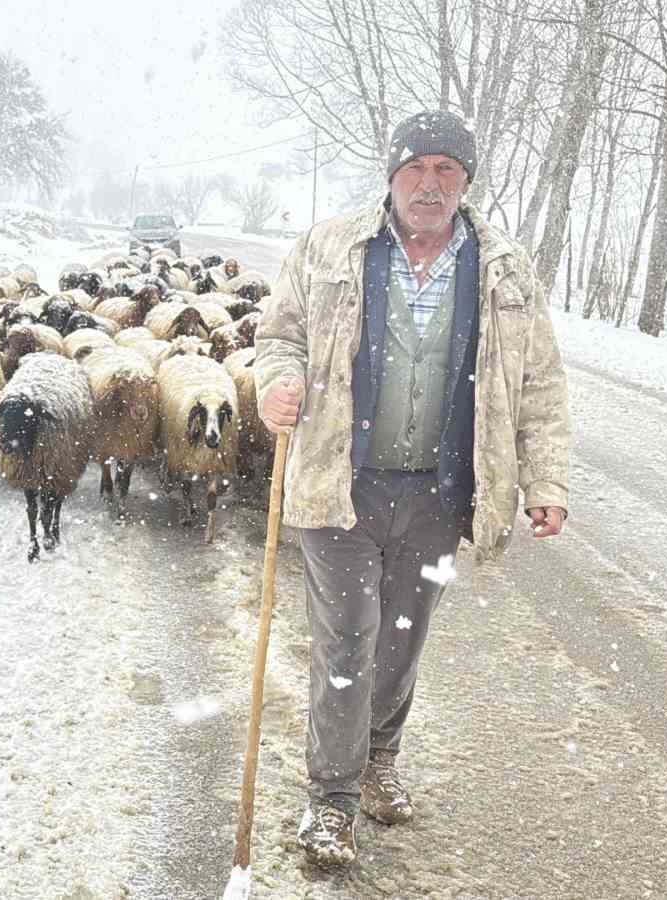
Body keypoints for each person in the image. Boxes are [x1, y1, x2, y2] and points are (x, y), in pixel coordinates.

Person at [251, 109, 571, 866]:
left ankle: (378, 763)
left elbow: (540, 385)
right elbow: (278, 333)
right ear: (391, 177)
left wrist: (545, 479)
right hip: (340, 485)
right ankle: (330, 800)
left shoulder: (505, 271)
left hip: (439, 493)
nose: (430, 185)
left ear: (466, 183)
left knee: (402, 638)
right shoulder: (330, 248)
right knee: (349, 636)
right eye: (416, 169)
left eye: (447, 171)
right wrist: (278, 381)